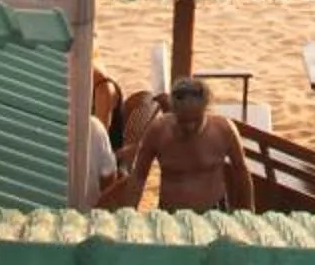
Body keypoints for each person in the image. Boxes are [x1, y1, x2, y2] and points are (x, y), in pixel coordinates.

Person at [98, 76, 254, 211]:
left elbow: (241, 172)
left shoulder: (224, 130)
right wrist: (129, 212)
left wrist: (248, 212)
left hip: (212, 211)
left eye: (195, 120)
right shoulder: (158, 131)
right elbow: (138, 178)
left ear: (205, 110)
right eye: (183, 120)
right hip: (170, 213)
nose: (189, 126)